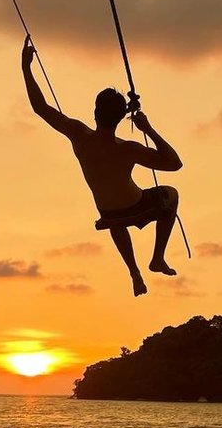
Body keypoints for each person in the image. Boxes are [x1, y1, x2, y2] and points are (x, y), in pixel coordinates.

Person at [21, 36, 181, 297]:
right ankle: (157, 258)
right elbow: (174, 164)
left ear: (95, 113)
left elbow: (40, 108)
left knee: (115, 217)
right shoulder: (128, 149)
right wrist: (147, 128)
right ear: (121, 118)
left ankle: (134, 271)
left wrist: (26, 67)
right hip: (136, 205)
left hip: (109, 211)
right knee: (170, 194)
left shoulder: (79, 135)